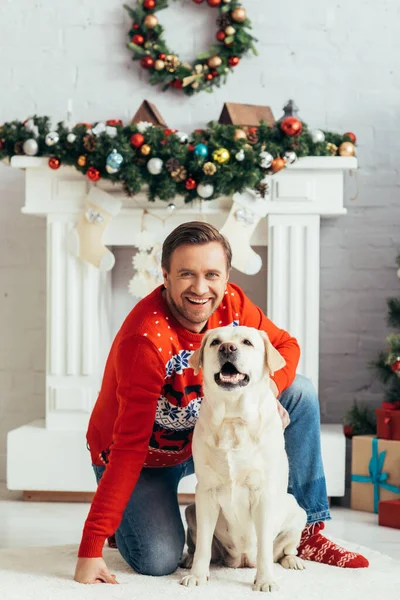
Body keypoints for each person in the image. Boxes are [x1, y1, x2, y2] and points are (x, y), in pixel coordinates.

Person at [74, 222, 368, 584]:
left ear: (226, 275)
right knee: (158, 558)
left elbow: (286, 347)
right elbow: (129, 447)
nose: (200, 288)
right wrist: (89, 549)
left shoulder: (232, 303)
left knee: (300, 392)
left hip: (202, 438)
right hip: (141, 456)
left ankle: (309, 532)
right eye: (186, 274)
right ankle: (124, 522)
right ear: (165, 276)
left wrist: (272, 389)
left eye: (212, 274)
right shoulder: (145, 341)